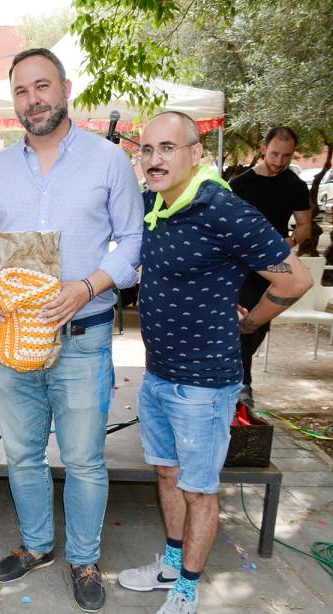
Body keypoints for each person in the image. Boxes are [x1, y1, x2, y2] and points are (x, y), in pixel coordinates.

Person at [0, 48, 143, 612]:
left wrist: (87, 287)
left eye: (42, 86)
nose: (32, 99)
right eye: (21, 91)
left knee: (85, 458)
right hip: (14, 338)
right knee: (22, 456)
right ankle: (37, 545)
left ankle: (84, 559)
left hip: (84, 336)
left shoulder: (107, 160)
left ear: (64, 88)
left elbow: (134, 244)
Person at [118, 111, 311, 614]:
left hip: (204, 385)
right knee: (166, 476)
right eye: (147, 149)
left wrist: (249, 323)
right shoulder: (153, 207)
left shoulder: (223, 209)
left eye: (167, 148)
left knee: (199, 490)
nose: (154, 159)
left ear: (195, 153)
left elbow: (293, 281)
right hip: (158, 374)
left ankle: (188, 587)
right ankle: (171, 565)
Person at [229, 127, 312, 407]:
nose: (279, 161)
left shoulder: (296, 186)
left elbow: (304, 227)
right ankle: (242, 383)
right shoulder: (240, 184)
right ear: (264, 148)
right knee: (239, 321)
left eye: (286, 156)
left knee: (258, 326)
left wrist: (286, 243)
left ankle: (241, 378)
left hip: (273, 267)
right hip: (239, 265)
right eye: (275, 154)